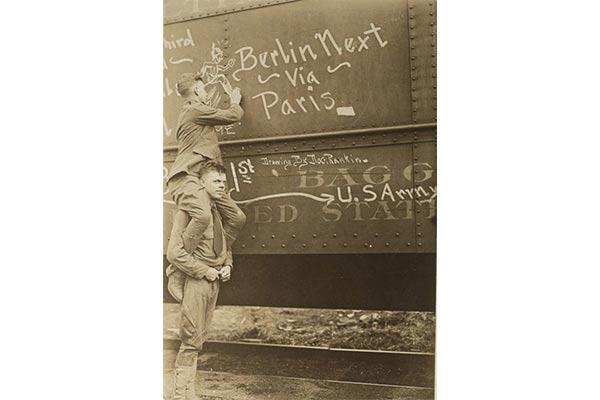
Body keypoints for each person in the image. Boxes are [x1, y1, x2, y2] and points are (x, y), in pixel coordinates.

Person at [166, 161, 234, 400]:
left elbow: (224, 246)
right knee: (191, 337)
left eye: (224, 182)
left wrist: (227, 265)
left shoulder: (215, 210)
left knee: (200, 337)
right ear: (201, 184)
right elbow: (175, 253)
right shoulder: (188, 212)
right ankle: (181, 394)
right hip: (197, 280)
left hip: (213, 280)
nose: (221, 185)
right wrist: (204, 271)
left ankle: (186, 393)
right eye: (216, 181)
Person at [167, 72, 246, 261]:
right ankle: (181, 264)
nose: (206, 93)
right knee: (202, 216)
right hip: (188, 177)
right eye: (203, 89)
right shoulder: (194, 109)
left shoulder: (196, 110)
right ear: (196, 90)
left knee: (237, 218)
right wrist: (234, 100)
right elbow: (233, 115)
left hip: (206, 179)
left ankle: (218, 256)